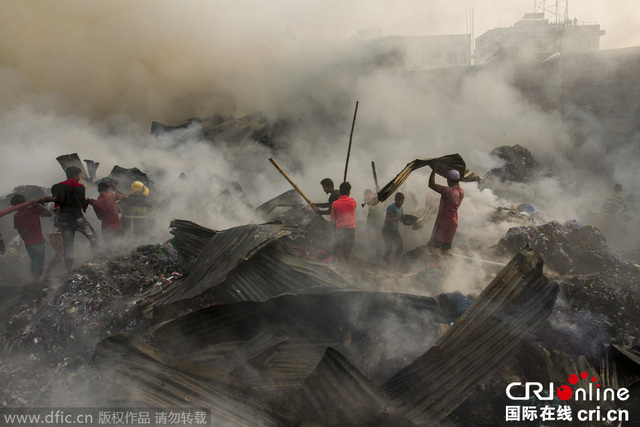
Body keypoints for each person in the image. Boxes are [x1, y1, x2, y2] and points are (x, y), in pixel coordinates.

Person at [54, 166, 100, 273]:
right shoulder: (80, 187)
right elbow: (81, 203)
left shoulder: (60, 186)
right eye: (78, 175)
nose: (79, 178)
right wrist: (88, 202)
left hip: (64, 221)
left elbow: (58, 203)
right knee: (93, 237)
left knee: (68, 246)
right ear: (75, 175)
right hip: (77, 218)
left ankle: (69, 270)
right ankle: (97, 258)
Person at [11, 194, 52, 284]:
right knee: (38, 263)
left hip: (29, 243)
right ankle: (35, 282)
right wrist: (37, 205)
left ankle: (34, 280)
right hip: (37, 242)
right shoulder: (33, 209)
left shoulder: (17, 215)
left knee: (34, 261)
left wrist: (26, 240)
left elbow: (19, 231)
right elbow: (49, 214)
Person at [427, 166, 465, 264]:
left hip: (444, 222)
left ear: (449, 180)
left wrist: (434, 169)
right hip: (453, 223)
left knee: (431, 246)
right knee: (445, 249)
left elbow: (431, 184)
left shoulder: (449, 191)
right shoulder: (461, 191)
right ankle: (449, 268)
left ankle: (440, 268)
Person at [90, 181, 127, 252]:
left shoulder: (96, 203)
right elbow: (125, 196)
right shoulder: (112, 195)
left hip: (106, 227)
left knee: (109, 247)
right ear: (107, 189)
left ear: (98, 190)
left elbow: (100, 218)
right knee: (120, 245)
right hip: (117, 226)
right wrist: (116, 188)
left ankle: (110, 260)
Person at [331, 181, 357, 268]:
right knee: (349, 251)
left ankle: (344, 272)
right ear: (349, 192)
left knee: (339, 252)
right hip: (351, 230)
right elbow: (354, 207)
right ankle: (349, 271)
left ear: (340, 192)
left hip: (340, 230)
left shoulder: (335, 204)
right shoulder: (353, 201)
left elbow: (333, 219)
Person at [43, 184, 64, 280]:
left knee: (62, 255)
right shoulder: (53, 203)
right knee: (59, 256)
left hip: (56, 233)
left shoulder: (55, 202)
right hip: (55, 233)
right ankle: (47, 275)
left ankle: (49, 274)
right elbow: (58, 212)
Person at [382, 192, 405, 263]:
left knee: (400, 247)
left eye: (401, 200)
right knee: (389, 248)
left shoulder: (401, 208)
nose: (400, 202)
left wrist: (406, 220)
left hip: (395, 230)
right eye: (398, 200)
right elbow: (389, 219)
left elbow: (400, 219)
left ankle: (396, 262)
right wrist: (400, 218)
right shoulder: (392, 207)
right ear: (395, 200)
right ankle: (385, 258)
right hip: (387, 231)